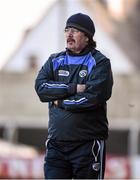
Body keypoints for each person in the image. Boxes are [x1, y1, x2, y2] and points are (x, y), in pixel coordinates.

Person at [35, 13, 113, 179]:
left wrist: (60, 102)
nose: (69, 34)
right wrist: (73, 88)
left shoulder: (100, 62)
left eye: (75, 30)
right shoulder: (54, 60)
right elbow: (41, 88)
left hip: (87, 145)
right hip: (56, 145)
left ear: (87, 37)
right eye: (67, 30)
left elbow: (93, 98)